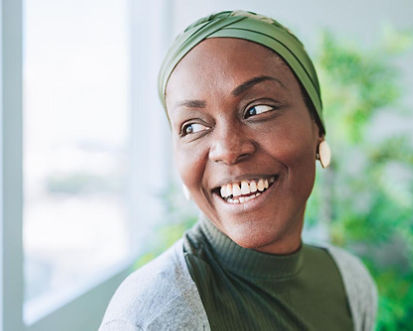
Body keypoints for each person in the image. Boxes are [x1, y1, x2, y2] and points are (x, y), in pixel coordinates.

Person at [101, 10, 377, 331]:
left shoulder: (348, 281)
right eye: (192, 126)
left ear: (317, 126)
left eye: (257, 109)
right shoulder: (156, 313)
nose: (228, 150)